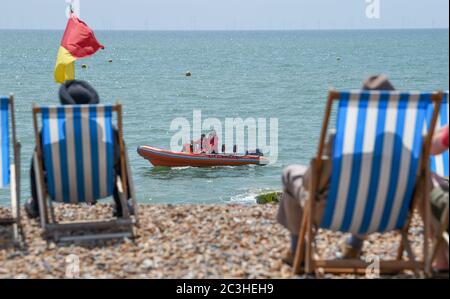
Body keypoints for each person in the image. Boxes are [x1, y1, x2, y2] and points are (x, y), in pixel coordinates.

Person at [276, 74, 396, 265]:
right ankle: (354, 246)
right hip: (390, 213)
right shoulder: (408, 144)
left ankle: (297, 250)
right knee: (370, 194)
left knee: (291, 174)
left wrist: (314, 169)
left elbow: (311, 183)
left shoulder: (341, 139)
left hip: (329, 213)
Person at [25, 80, 133, 219]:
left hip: (60, 189)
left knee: (37, 159)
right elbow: (119, 161)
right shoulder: (109, 130)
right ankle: (123, 204)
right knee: (119, 154)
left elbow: (40, 164)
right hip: (101, 187)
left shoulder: (48, 132)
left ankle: (37, 206)